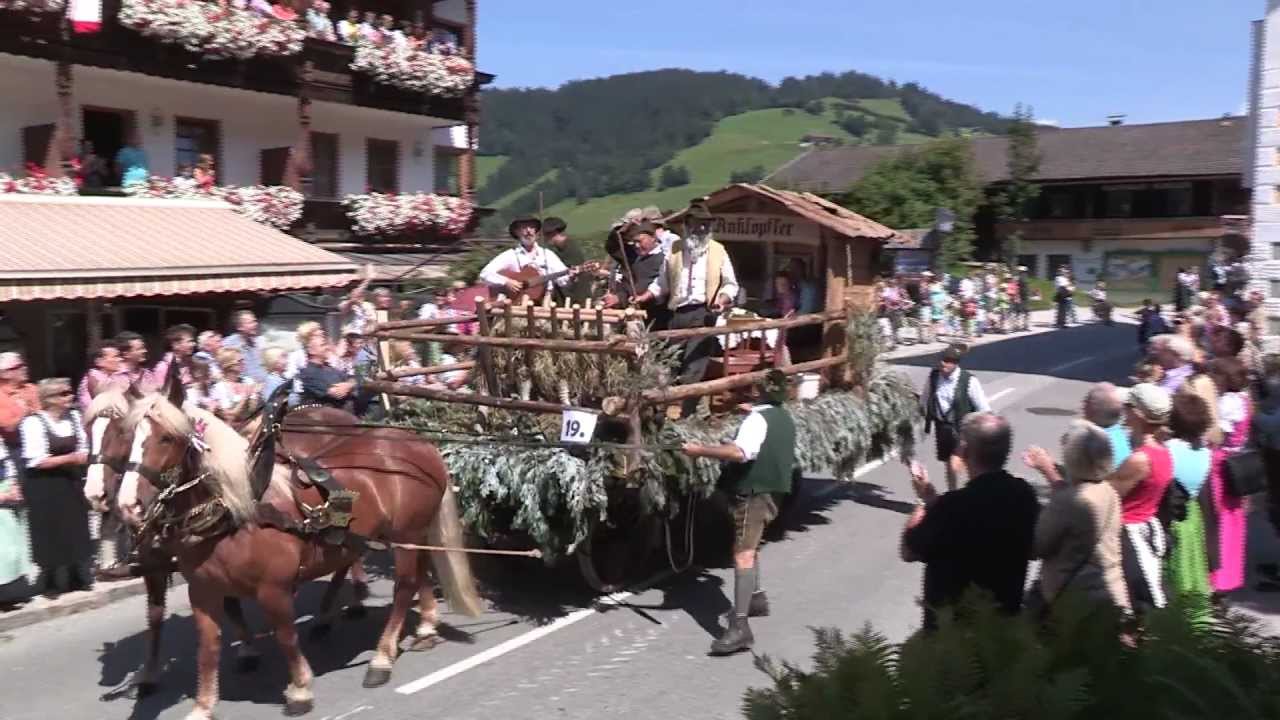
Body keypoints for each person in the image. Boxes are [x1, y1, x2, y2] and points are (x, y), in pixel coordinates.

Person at [680, 370, 794, 655]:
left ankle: (739, 628)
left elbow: (740, 453)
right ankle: (755, 598)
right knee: (750, 542)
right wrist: (752, 413)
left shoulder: (757, 420)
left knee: (743, 552)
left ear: (761, 391)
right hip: (775, 491)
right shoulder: (783, 417)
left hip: (755, 492)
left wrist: (699, 450)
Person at [902, 413, 1039, 630]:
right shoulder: (1024, 495)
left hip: (952, 636)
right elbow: (1033, 550)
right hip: (1002, 629)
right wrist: (932, 499)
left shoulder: (952, 506)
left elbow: (909, 551)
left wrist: (922, 502)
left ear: (965, 452)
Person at [1022, 421, 1130, 616]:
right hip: (1112, 594)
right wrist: (1050, 469)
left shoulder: (1068, 502)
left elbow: (1037, 546)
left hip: (1072, 601)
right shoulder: (1109, 492)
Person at [646, 202, 740, 417]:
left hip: (703, 313)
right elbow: (661, 283)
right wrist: (645, 296)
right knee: (669, 366)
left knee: (694, 368)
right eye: (698, 224)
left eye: (706, 225)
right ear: (687, 225)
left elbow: (730, 283)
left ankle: (686, 416)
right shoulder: (675, 250)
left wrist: (722, 299)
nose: (702, 229)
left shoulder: (718, 251)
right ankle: (660, 415)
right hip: (677, 314)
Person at [1105, 383, 1174, 616]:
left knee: (1130, 607)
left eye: (1128, 405)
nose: (1124, 409)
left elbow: (1106, 497)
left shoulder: (1140, 460)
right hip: (1145, 528)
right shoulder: (1163, 451)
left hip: (1127, 537)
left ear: (1137, 414)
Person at [19, 378, 90, 596]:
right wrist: (71, 458)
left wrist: (80, 458)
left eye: (69, 392)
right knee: (48, 528)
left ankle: (75, 573)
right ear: (49, 398)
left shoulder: (74, 417)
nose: (70, 397)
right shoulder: (33, 423)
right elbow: (35, 460)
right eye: (64, 393)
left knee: (75, 525)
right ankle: (49, 579)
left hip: (70, 479)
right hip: (43, 483)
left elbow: (83, 446)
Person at [1206, 357, 1252, 599]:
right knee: (1232, 520)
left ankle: (1218, 579)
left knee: (1220, 520)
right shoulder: (1243, 399)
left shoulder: (1227, 403)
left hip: (1221, 465)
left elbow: (1216, 436)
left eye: (1215, 374)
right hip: (1233, 464)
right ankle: (1227, 576)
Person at [1163, 393, 1214, 605]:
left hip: (1170, 513)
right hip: (1192, 512)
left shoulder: (1169, 449)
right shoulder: (1205, 452)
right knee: (1192, 564)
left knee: (1173, 567)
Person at [921, 344, 992, 492]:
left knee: (967, 465)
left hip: (964, 431)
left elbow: (985, 410)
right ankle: (953, 496)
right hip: (943, 429)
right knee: (949, 465)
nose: (943, 363)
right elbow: (924, 399)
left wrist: (975, 429)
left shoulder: (969, 381)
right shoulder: (933, 377)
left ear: (956, 363)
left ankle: (976, 494)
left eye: (948, 360)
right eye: (942, 359)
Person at [479, 217, 576, 300]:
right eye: (524, 227)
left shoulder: (547, 255)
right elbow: (485, 273)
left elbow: (564, 282)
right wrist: (507, 281)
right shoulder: (510, 255)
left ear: (536, 232)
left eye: (532, 227)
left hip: (545, 304)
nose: (528, 231)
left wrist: (572, 276)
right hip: (517, 304)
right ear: (517, 232)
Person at [610, 222, 668, 325]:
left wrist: (626, 299)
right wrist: (622, 229)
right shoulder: (634, 258)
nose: (636, 245)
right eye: (634, 242)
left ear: (653, 238)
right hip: (633, 314)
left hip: (655, 315)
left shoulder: (662, 259)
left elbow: (653, 287)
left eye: (640, 241)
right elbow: (612, 247)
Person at [0, 435, 32, 606]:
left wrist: (13, 486)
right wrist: (3, 496)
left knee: (13, 549)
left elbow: (8, 465)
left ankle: (11, 592)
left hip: (7, 501)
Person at [298, 334, 357, 409]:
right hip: (324, 415)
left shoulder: (330, 368)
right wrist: (349, 386)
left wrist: (348, 385)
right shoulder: (307, 372)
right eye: (323, 345)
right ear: (311, 350)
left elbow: (353, 379)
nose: (328, 348)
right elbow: (335, 392)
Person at [542, 217, 590, 304]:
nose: (545, 238)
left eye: (546, 235)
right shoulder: (558, 249)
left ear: (553, 233)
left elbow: (575, 274)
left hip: (576, 294)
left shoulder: (571, 249)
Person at [209, 348, 262, 427]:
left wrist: (256, 396)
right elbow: (230, 417)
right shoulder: (220, 388)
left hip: (252, 423)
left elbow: (254, 409)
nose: (243, 363)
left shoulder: (248, 380)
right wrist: (245, 398)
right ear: (229, 365)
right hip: (233, 428)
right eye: (240, 361)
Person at [1083, 382, 1131, 468]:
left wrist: (1051, 471)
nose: (1083, 404)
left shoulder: (1090, 442)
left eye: (1087, 400)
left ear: (1092, 408)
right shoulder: (1123, 435)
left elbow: (1077, 480)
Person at [0, 353, 38, 450]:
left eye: (24, 365)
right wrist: (24, 412)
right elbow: (9, 428)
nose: (25, 368)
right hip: (13, 449)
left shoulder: (32, 388)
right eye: (19, 366)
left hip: (39, 444)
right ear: (4, 374)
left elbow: (45, 415)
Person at [76, 341, 124, 413]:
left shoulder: (111, 377)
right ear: (99, 362)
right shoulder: (93, 377)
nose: (120, 359)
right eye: (115, 357)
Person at [223, 310, 268, 383]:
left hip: (263, 385)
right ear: (239, 327)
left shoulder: (259, 341)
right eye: (250, 323)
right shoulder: (229, 344)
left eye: (255, 321)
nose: (255, 324)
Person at [149, 323, 197, 391]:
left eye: (193, 341)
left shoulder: (193, 364)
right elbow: (159, 395)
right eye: (190, 341)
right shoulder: (163, 368)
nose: (194, 344)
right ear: (175, 345)